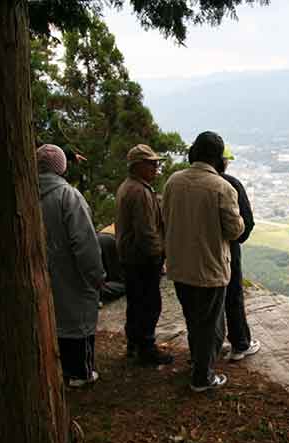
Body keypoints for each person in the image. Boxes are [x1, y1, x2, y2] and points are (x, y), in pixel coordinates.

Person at [163, 131, 244, 392]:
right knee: (210, 326)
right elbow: (234, 230)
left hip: (179, 266)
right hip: (209, 268)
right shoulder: (222, 188)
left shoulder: (173, 181)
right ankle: (202, 377)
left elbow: (165, 217)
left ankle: (198, 363)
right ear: (218, 158)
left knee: (193, 319)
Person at [37, 144, 105, 388]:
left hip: (41, 270)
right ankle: (80, 372)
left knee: (52, 319)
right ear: (62, 168)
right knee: (78, 321)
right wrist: (96, 275)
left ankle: (56, 369)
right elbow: (85, 241)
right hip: (71, 269)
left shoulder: (27, 193)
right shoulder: (68, 196)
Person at [115, 144, 174, 366]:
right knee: (149, 303)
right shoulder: (140, 192)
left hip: (130, 257)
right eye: (151, 163)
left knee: (136, 302)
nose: (156, 167)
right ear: (137, 166)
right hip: (142, 259)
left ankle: (134, 344)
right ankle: (147, 348)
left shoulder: (128, 186)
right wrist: (159, 256)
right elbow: (146, 231)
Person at [216, 144, 259, 361]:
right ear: (222, 161)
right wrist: (236, 240)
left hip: (196, 250)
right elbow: (247, 222)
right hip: (227, 248)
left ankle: (214, 343)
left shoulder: (179, 182)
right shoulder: (229, 184)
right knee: (232, 294)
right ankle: (240, 342)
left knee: (207, 298)